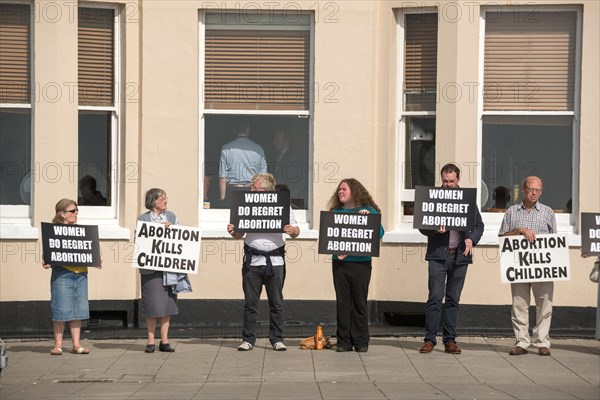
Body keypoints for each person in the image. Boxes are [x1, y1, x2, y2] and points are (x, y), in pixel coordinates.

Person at [227, 173, 299, 351]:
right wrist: (232, 231)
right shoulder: (246, 206)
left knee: (276, 303)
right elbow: (238, 235)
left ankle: (277, 339)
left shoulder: (283, 206)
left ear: (265, 190)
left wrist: (292, 230)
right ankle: (248, 339)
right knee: (250, 303)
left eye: (254, 188)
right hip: (252, 261)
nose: (251, 190)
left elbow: (296, 231)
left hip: (275, 261)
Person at [418, 163, 484, 355]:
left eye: (451, 181)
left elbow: (479, 225)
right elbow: (422, 225)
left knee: (453, 299)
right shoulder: (433, 197)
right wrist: (434, 229)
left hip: (460, 256)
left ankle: (450, 341)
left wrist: (472, 239)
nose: (448, 184)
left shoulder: (467, 199)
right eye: (445, 181)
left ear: (458, 180)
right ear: (441, 180)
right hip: (438, 255)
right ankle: (429, 340)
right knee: (435, 298)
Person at [499, 176, 557, 356]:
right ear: (523, 189)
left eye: (538, 190)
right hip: (519, 266)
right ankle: (522, 342)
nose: (534, 193)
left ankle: (542, 342)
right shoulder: (511, 212)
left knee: (544, 305)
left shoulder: (548, 212)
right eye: (531, 189)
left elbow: (554, 240)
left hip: (542, 267)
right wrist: (519, 231)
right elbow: (502, 238)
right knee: (519, 305)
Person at [327, 178, 384, 353]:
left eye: (344, 189)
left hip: (361, 264)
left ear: (354, 191)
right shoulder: (336, 212)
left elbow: (380, 233)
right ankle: (344, 341)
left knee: (359, 302)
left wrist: (370, 218)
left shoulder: (368, 211)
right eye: (339, 190)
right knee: (343, 302)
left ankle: (361, 341)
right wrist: (336, 251)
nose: (340, 192)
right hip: (340, 264)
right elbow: (330, 236)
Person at [42, 199, 101, 355]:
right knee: (60, 309)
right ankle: (58, 345)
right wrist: (47, 260)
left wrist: (95, 259)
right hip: (62, 273)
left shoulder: (81, 232)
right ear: (62, 214)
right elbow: (48, 253)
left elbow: (87, 250)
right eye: (72, 211)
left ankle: (76, 345)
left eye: (76, 211)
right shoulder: (53, 231)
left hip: (80, 274)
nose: (76, 213)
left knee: (78, 310)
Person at [137, 188, 191, 353]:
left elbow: (182, 239)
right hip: (151, 269)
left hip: (169, 268)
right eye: (162, 198)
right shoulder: (143, 218)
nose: (166, 200)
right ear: (154, 201)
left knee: (168, 305)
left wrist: (173, 229)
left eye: (166, 197)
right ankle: (151, 341)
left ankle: (165, 340)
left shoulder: (172, 217)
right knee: (152, 305)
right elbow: (139, 239)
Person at [219, 119, 267, 206]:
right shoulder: (258, 148)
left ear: (234, 130)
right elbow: (263, 177)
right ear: (248, 129)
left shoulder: (226, 148)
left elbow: (223, 177)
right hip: (252, 192)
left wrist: (223, 199)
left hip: (233, 192)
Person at [272, 129, 307, 208]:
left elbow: (303, 180)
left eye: (277, 140)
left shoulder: (293, 157)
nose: (274, 142)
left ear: (287, 141)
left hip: (290, 201)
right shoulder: (278, 156)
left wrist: (291, 195)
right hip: (280, 198)